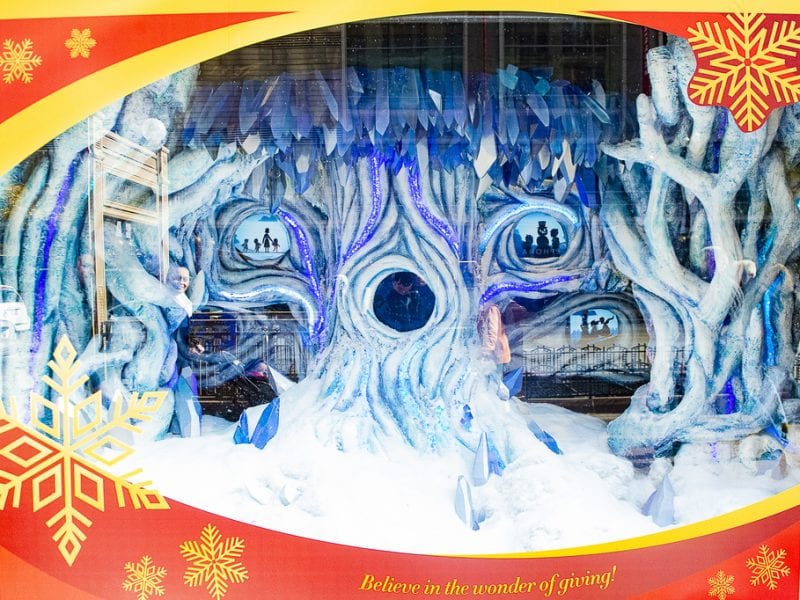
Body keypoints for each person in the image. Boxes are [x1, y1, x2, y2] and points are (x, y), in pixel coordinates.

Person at [478, 302, 511, 398]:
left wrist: (486, 350)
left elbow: (492, 332)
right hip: (494, 354)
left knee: (493, 386)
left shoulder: (490, 309)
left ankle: (497, 402)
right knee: (493, 384)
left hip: (495, 354)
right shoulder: (486, 310)